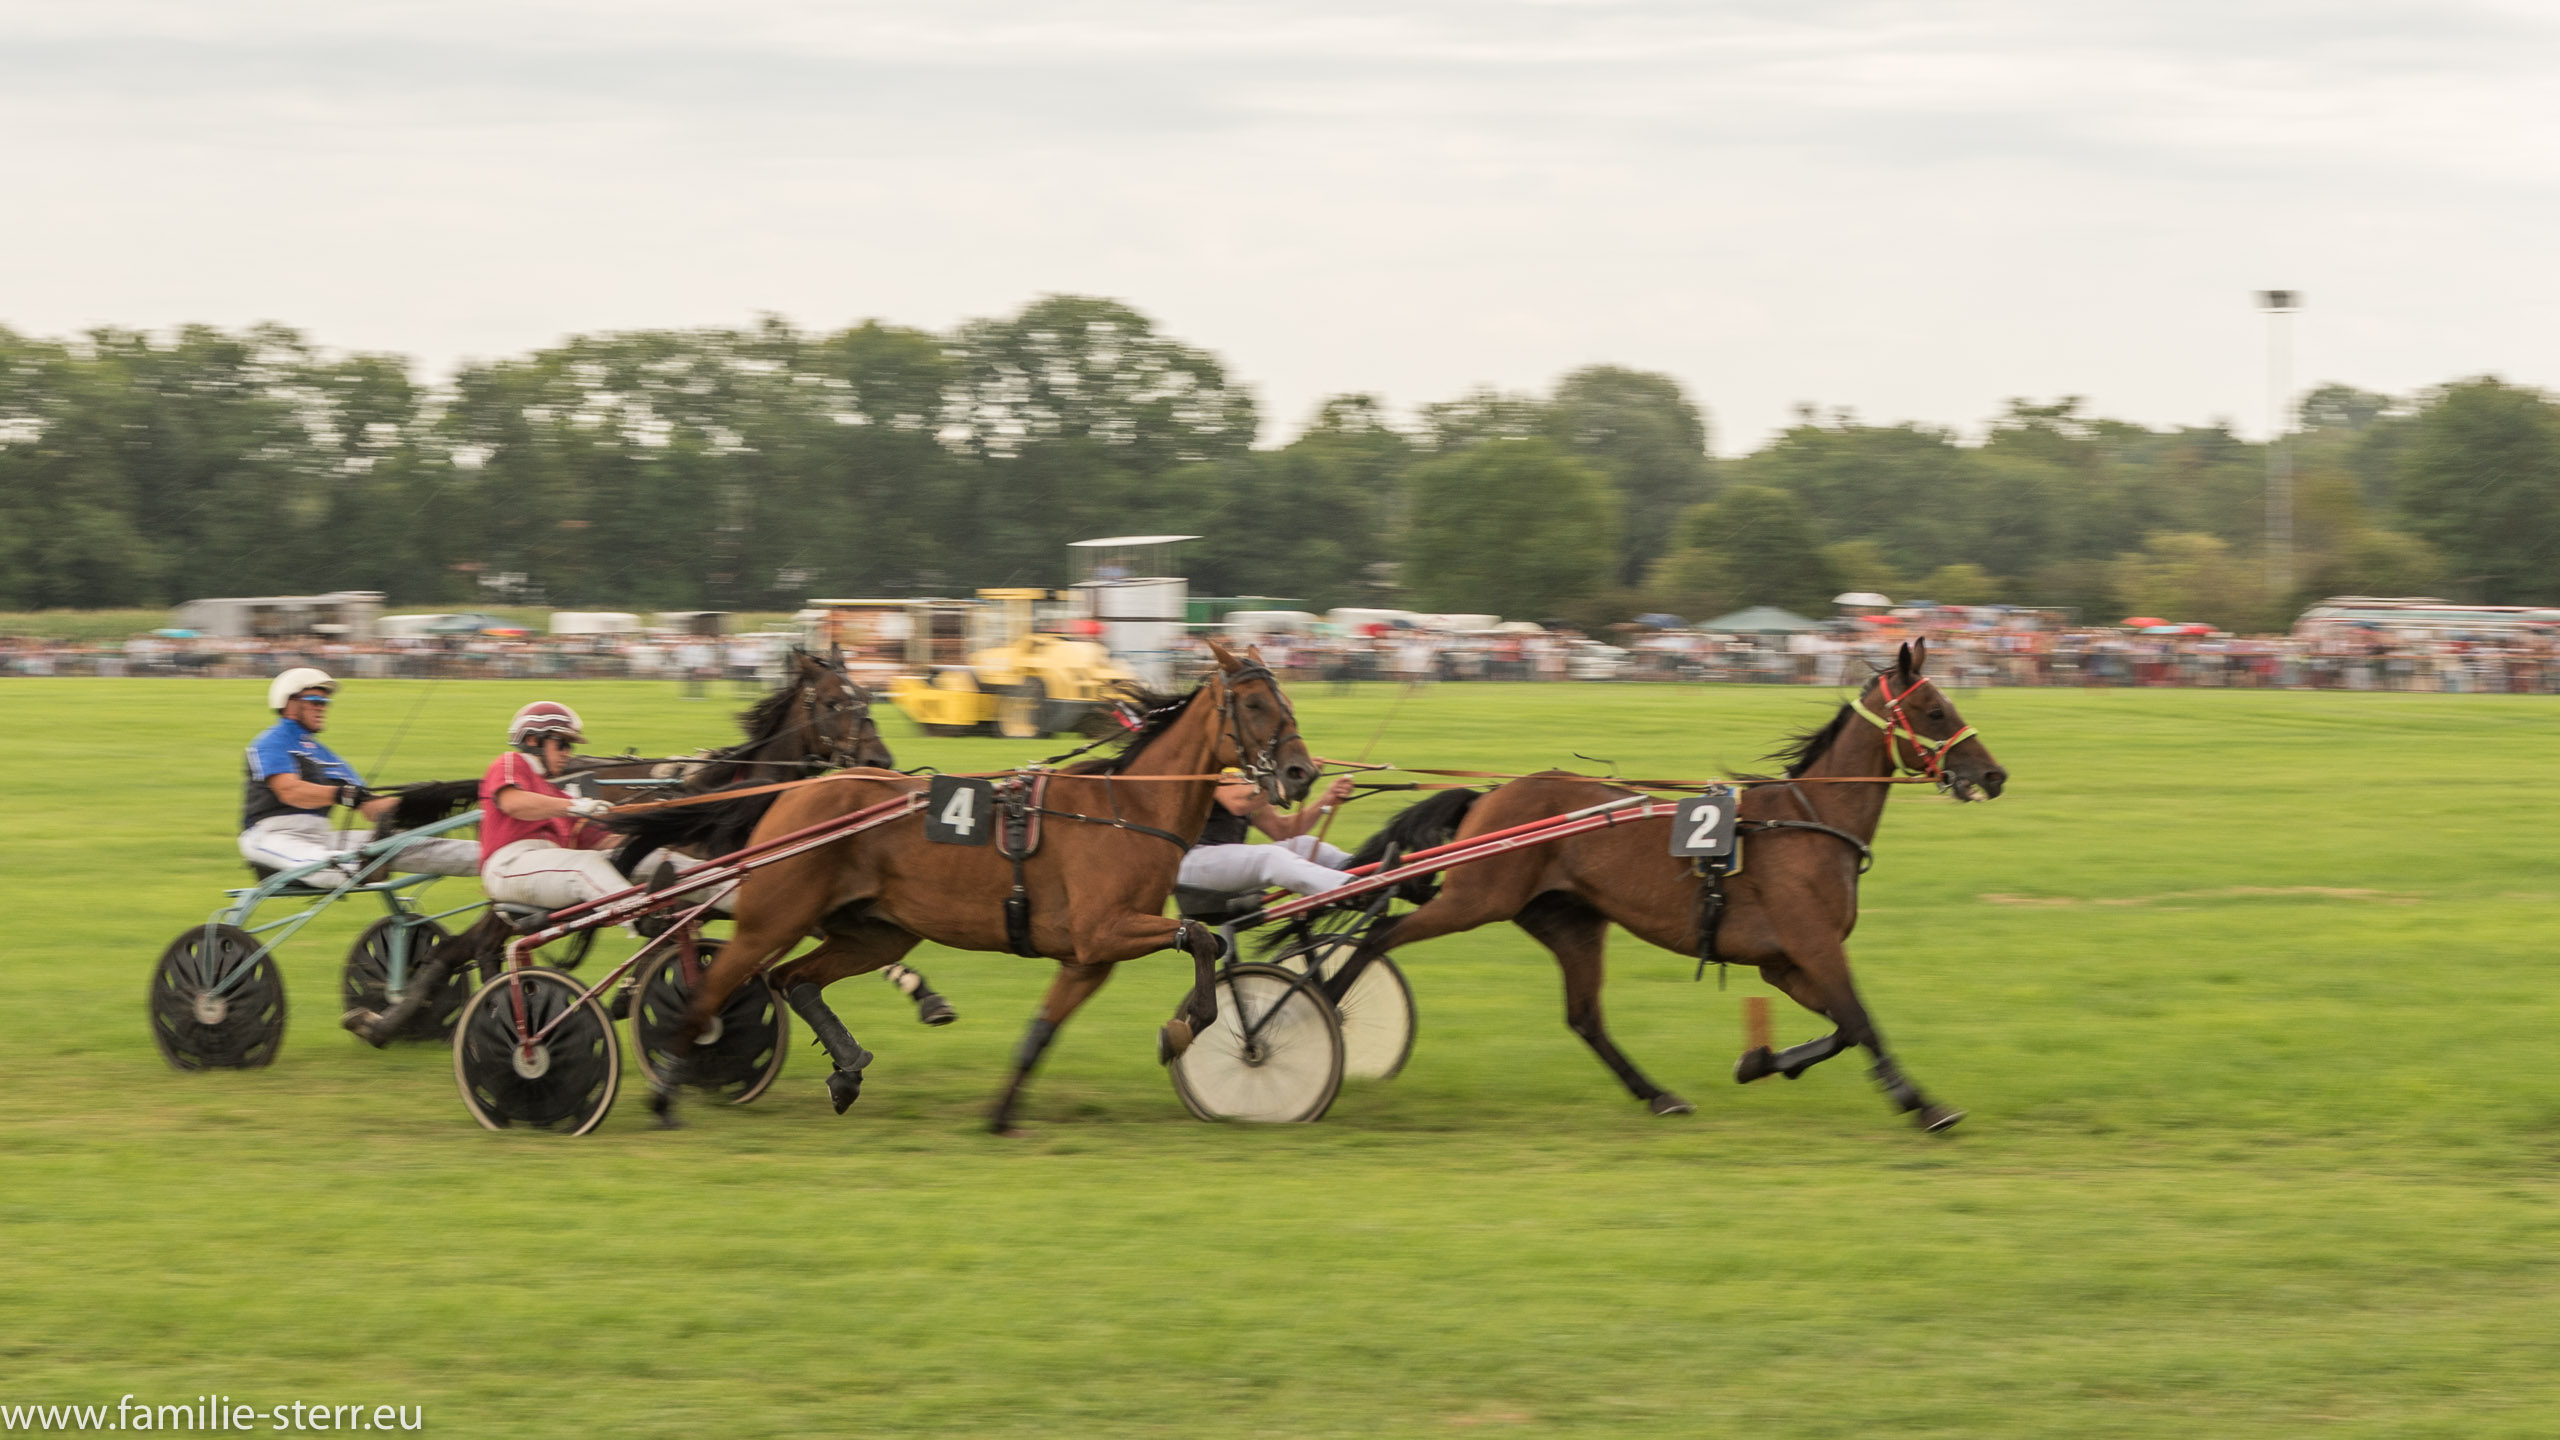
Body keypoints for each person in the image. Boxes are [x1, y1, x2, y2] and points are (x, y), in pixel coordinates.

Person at [237, 668, 480, 884]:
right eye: (314, 701)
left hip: (320, 837)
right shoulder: (271, 742)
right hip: (271, 836)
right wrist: (341, 794)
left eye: (325, 702)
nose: (323, 708)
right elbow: (290, 791)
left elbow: (372, 806)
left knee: (409, 844)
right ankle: (361, 867)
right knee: (332, 864)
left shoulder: (325, 755)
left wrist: (438, 799)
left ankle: (491, 857)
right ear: (289, 703)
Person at [474, 700, 631, 911]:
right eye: (561, 743)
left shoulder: (556, 794)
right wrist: (573, 805)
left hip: (546, 868)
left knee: (645, 857)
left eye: (569, 746)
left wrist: (653, 833)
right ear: (532, 740)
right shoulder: (511, 762)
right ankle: (640, 914)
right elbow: (513, 803)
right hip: (508, 866)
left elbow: (602, 842)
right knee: (586, 865)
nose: (567, 752)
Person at [1178, 769, 1359, 897]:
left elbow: (1282, 830)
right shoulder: (1214, 765)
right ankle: (1350, 889)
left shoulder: (1245, 772)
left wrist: (1327, 799)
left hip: (1220, 864)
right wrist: (1287, 781)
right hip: (1191, 862)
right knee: (1270, 857)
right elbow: (1238, 804)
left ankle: (1371, 876)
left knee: (1307, 845)